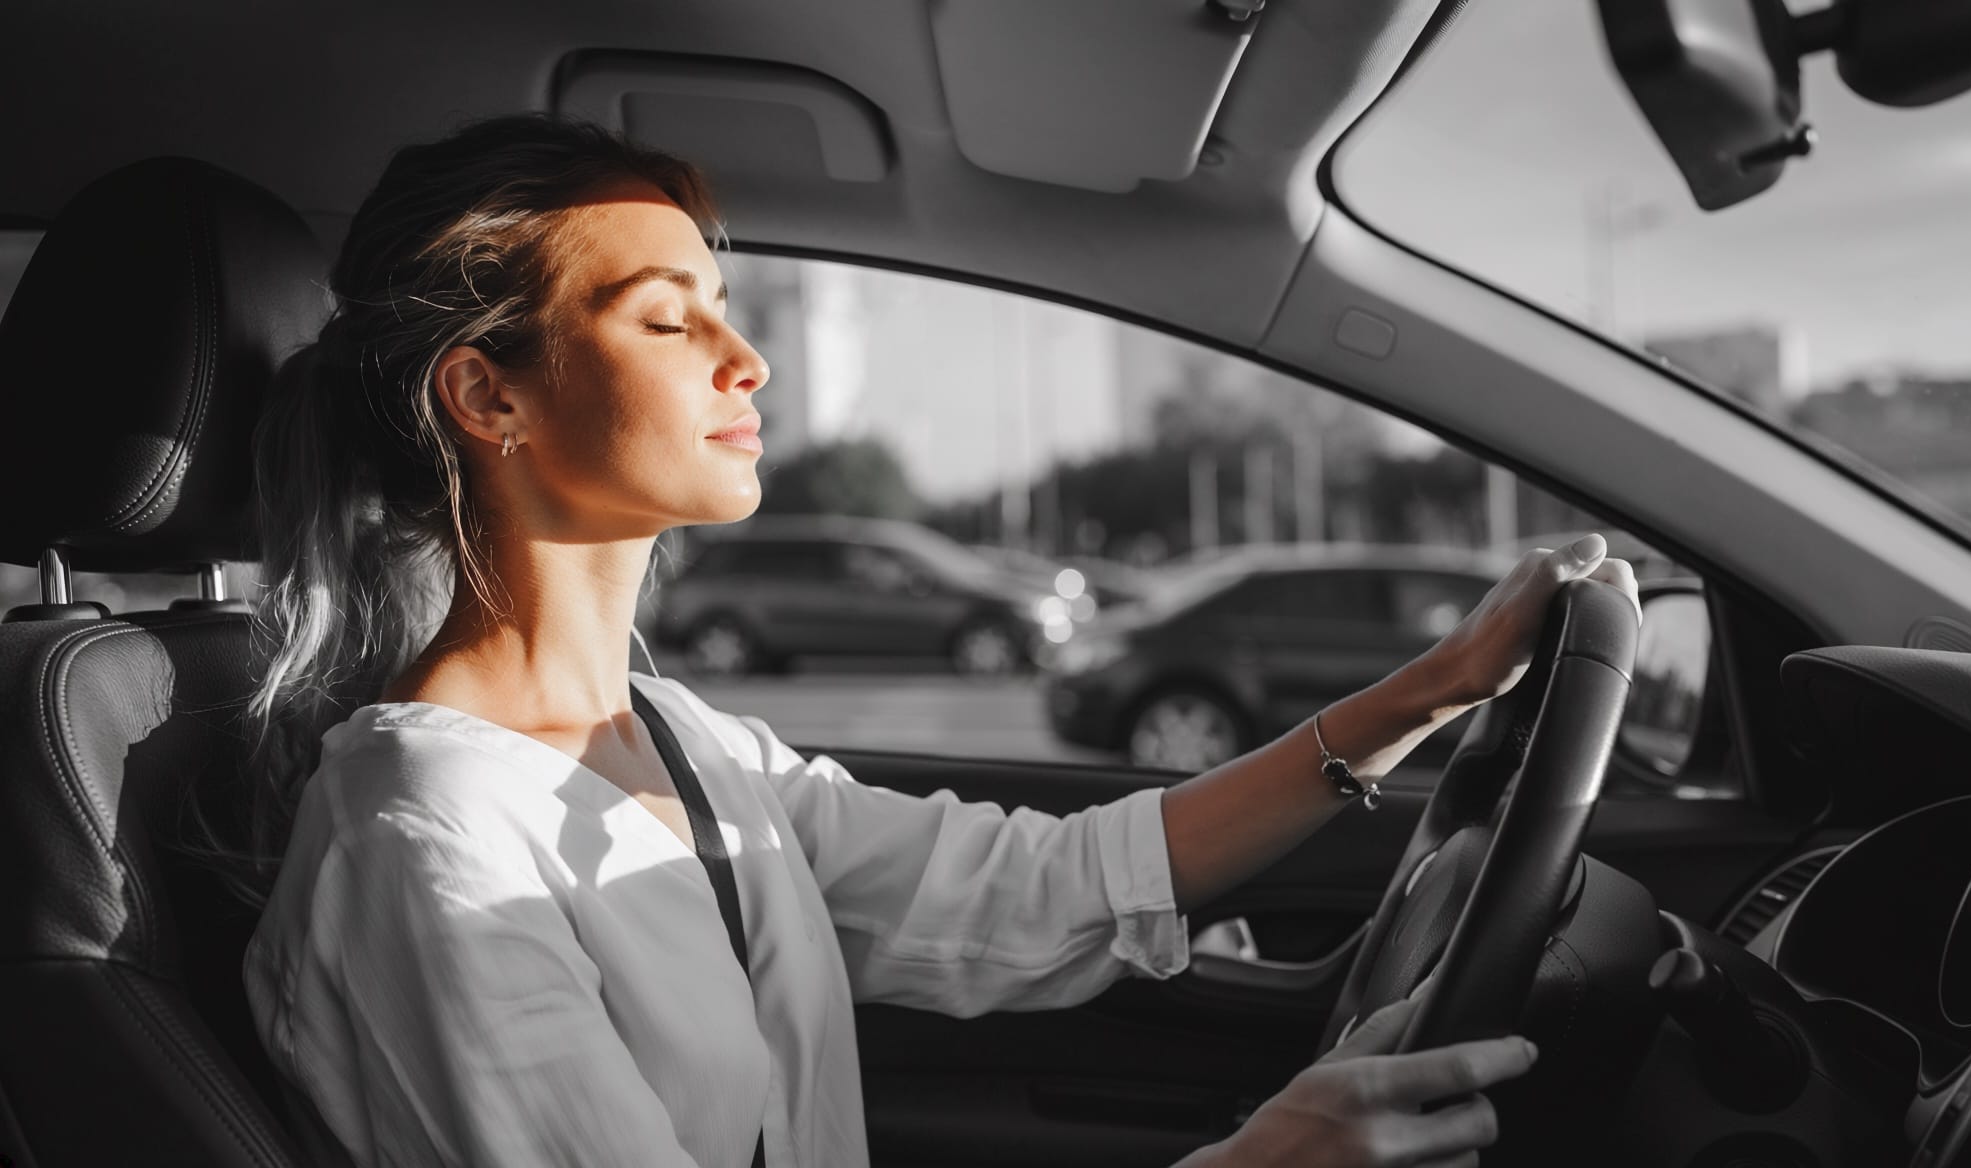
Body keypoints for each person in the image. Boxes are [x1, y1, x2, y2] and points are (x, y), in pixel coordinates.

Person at [224, 114, 1636, 1168]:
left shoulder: (686, 745)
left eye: (724, 308)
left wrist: (1437, 688)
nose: (745, 357)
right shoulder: (424, 845)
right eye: (668, 319)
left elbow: (1049, 887)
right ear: (490, 396)